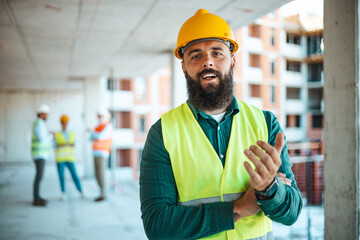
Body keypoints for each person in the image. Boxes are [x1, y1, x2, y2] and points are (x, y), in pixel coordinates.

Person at [140, 9, 303, 240]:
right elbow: (158, 226)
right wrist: (238, 209)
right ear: (184, 67)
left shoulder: (266, 123)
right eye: (195, 55)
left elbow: (292, 213)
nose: (207, 61)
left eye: (217, 53)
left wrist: (269, 189)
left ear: (233, 60)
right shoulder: (163, 133)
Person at [54, 115, 84, 201]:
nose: (65, 124)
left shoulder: (71, 133)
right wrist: (61, 145)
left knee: (75, 175)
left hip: (70, 158)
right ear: (61, 123)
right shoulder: (57, 134)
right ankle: (63, 193)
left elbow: (74, 144)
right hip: (60, 159)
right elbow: (54, 145)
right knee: (61, 177)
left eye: (66, 123)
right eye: (63, 123)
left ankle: (80, 191)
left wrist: (67, 144)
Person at [31, 104, 53, 207]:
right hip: (39, 154)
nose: (47, 116)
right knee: (39, 176)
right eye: (46, 114)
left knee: (39, 176)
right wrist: (51, 136)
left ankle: (37, 197)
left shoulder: (40, 123)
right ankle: (36, 199)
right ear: (42, 114)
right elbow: (42, 139)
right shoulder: (39, 124)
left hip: (41, 154)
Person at [90, 109, 113, 202]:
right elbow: (91, 138)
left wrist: (95, 134)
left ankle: (103, 194)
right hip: (95, 152)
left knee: (101, 174)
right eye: (98, 115)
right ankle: (101, 193)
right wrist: (96, 134)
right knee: (97, 174)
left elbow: (100, 137)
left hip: (103, 153)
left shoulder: (108, 125)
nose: (99, 117)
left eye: (101, 115)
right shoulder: (97, 127)